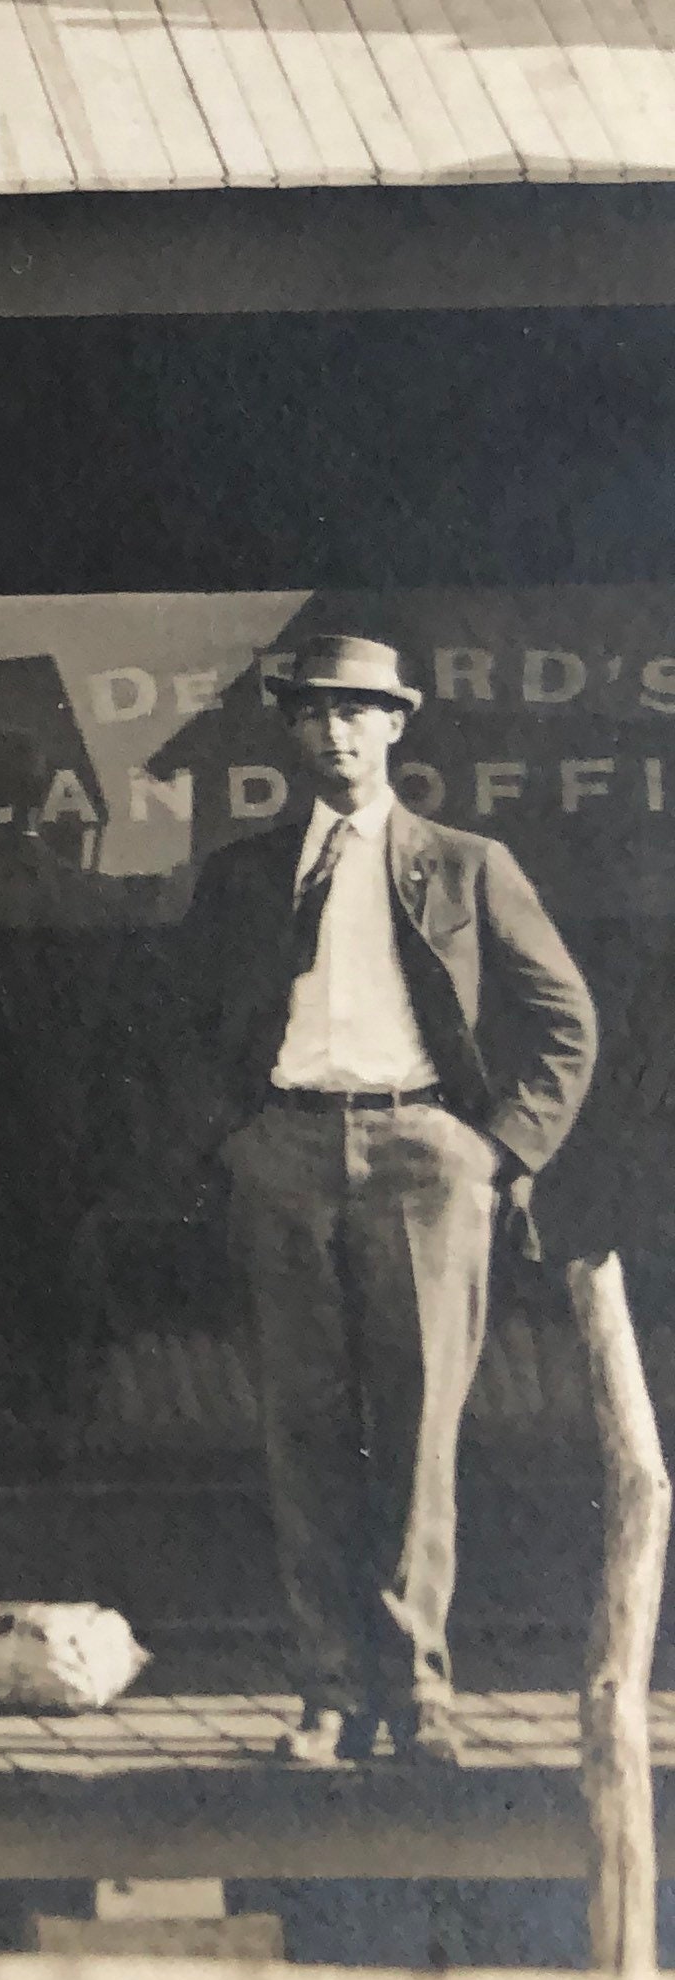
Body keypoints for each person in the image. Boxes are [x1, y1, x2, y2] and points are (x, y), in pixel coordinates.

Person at [179, 632, 596, 1770]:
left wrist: (495, 1152)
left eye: (359, 711)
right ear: (291, 729)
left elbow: (566, 1022)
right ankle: (323, 1695)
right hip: (288, 1153)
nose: (336, 732)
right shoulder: (244, 875)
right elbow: (171, 1028)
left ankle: (417, 1696)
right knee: (302, 1430)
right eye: (315, 712)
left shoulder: (466, 863)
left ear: (398, 725)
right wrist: (236, 1144)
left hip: (426, 1160)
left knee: (417, 1440)